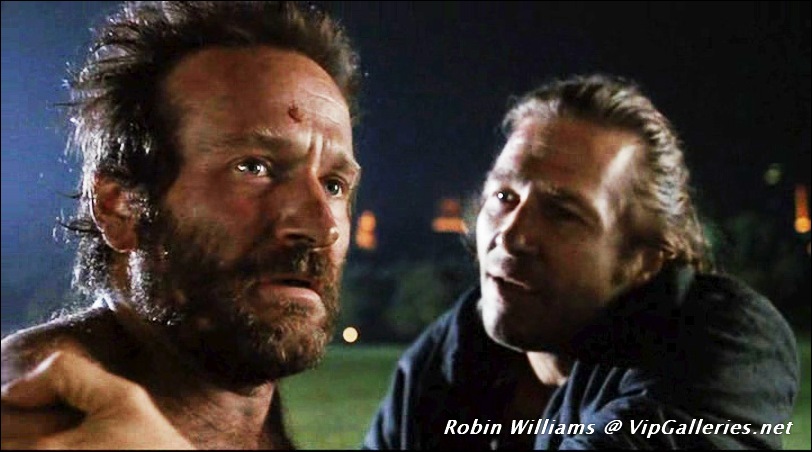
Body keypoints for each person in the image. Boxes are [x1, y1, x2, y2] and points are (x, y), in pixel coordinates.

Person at [362, 75, 800, 449]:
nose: (511, 235)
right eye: (504, 196)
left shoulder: (725, 344)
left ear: (644, 260)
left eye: (563, 214)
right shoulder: (447, 356)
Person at [1, 1, 361, 449]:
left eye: (333, 184)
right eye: (253, 167)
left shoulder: (230, 402)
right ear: (119, 207)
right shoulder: (39, 410)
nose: (321, 225)